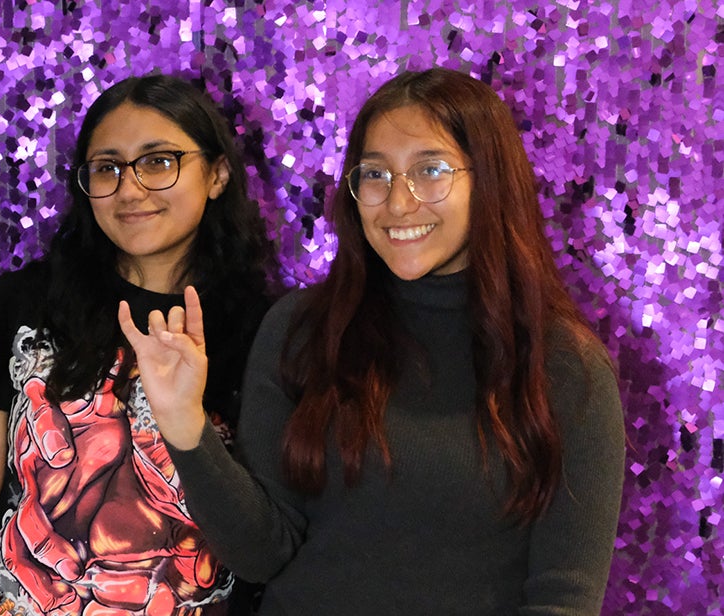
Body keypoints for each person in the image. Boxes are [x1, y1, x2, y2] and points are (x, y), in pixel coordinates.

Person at [124, 67, 626, 614]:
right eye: (375, 175)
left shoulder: (564, 366)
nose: (398, 203)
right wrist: (184, 427)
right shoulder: (302, 329)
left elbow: (565, 598)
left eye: (430, 171)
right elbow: (261, 554)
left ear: (490, 182)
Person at [0, 74, 276, 615]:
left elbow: (264, 545)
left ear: (217, 174)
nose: (130, 189)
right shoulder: (25, 304)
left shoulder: (266, 329)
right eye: (107, 168)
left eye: (158, 161)